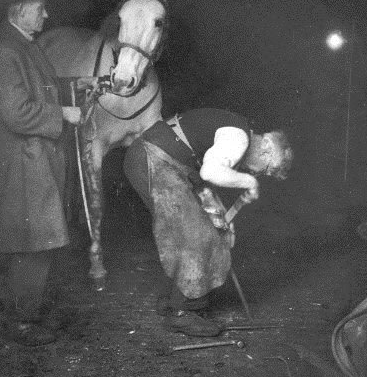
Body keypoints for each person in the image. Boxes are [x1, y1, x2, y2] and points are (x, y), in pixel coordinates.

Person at [0, 0, 98, 347]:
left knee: (35, 244)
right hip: (20, 167)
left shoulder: (22, 45)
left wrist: (74, 85)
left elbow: (39, 87)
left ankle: (22, 314)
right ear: (18, 9)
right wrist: (64, 113)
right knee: (31, 245)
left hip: (35, 164)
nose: (46, 16)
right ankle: (21, 324)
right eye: (40, 9)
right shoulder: (3, 52)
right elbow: (17, 114)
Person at [123, 108, 293, 337]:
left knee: (189, 232)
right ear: (266, 151)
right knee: (199, 236)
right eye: (265, 170)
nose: (258, 172)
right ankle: (182, 314)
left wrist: (219, 215)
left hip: (155, 159)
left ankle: (170, 300)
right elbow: (210, 171)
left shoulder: (236, 132)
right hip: (155, 159)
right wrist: (250, 181)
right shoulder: (239, 137)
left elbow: (201, 181)